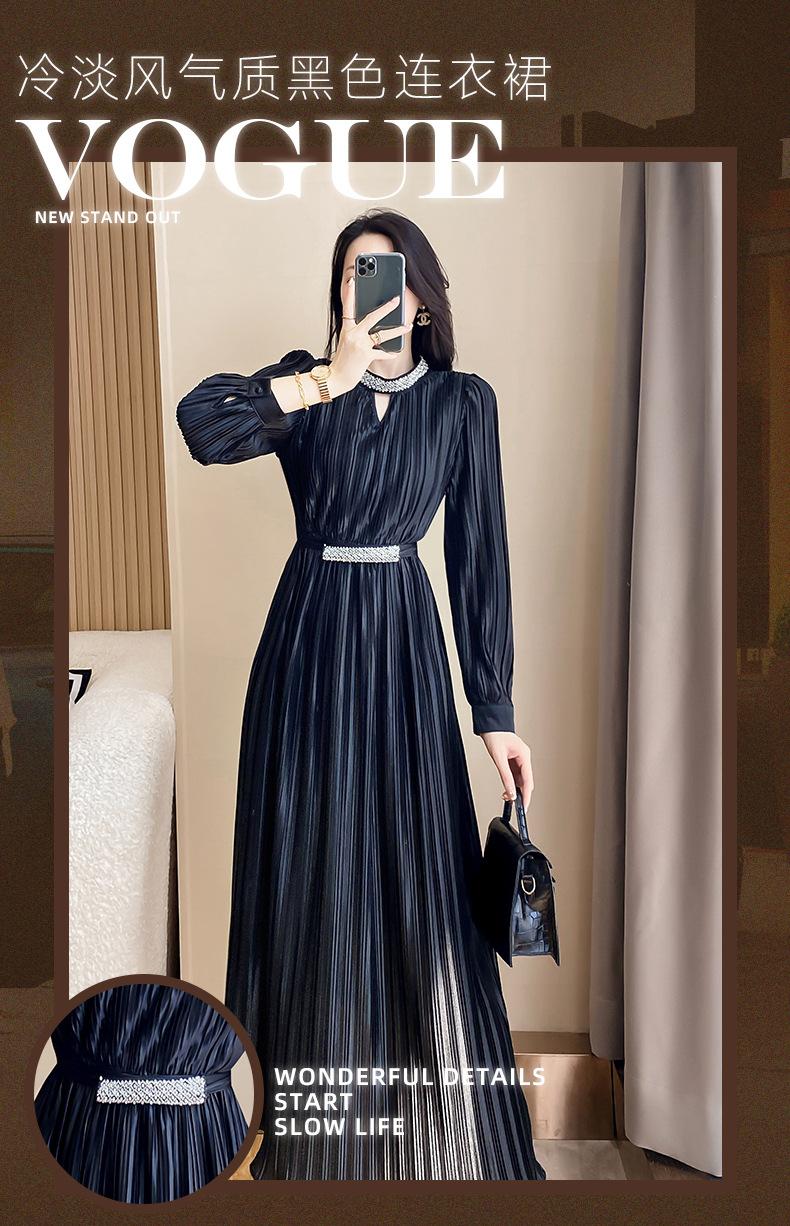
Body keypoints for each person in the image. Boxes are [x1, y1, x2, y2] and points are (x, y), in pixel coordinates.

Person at [176, 208, 547, 1180]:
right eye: (353, 272)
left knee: (420, 879)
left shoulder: (462, 403)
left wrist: (495, 714)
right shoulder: (307, 383)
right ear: (339, 294)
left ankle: (427, 1139)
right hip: (306, 648)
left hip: (405, 650)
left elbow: (479, 561)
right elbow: (201, 425)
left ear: (422, 296)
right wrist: (324, 380)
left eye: (386, 272)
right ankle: (305, 1143)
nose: (368, 287)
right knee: (310, 873)